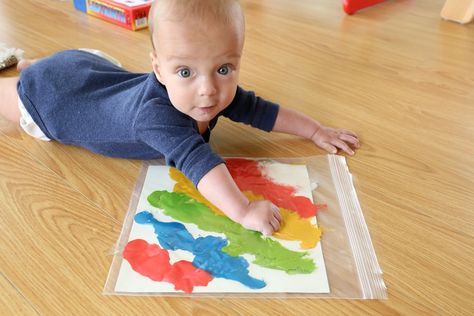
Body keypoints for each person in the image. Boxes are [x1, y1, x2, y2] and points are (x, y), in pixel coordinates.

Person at [0, 0, 359, 236]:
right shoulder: (157, 117)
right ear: (157, 66)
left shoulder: (211, 93)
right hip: (53, 103)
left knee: (73, 67)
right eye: (185, 72)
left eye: (223, 68)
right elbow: (199, 162)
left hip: (83, 67)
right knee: (19, 93)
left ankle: (35, 65)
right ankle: (27, 74)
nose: (208, 90)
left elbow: (259, 110)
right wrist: (245, 211)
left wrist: (315, 130)